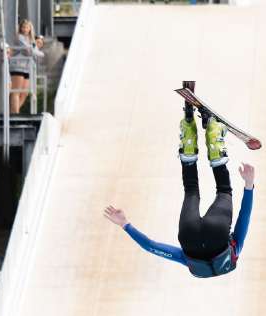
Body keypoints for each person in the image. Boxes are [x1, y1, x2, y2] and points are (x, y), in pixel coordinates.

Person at [102, 103, 255, 278]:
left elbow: (245, 218)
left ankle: (215, 139)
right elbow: (152, 247)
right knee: (191, 190)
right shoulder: (189, 261)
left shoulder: (233, 253)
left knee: (224, 191)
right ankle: (188, 141)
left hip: (217, 232)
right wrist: (125, 224)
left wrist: (249, 185)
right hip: (189, 236)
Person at [8, 20, 44, 114]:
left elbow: (33, 51)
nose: (25, 29)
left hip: (27, 68)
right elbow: (29, 51)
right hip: (18, 66)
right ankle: (14, 114)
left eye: (27, 27)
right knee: (16, 91)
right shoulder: (19, 37)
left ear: (30, 28)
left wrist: (35, 48)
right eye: (23, 27)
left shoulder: (30, 39)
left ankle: (13, 112)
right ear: (20, 28)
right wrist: (36, 49)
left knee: (24, 93)